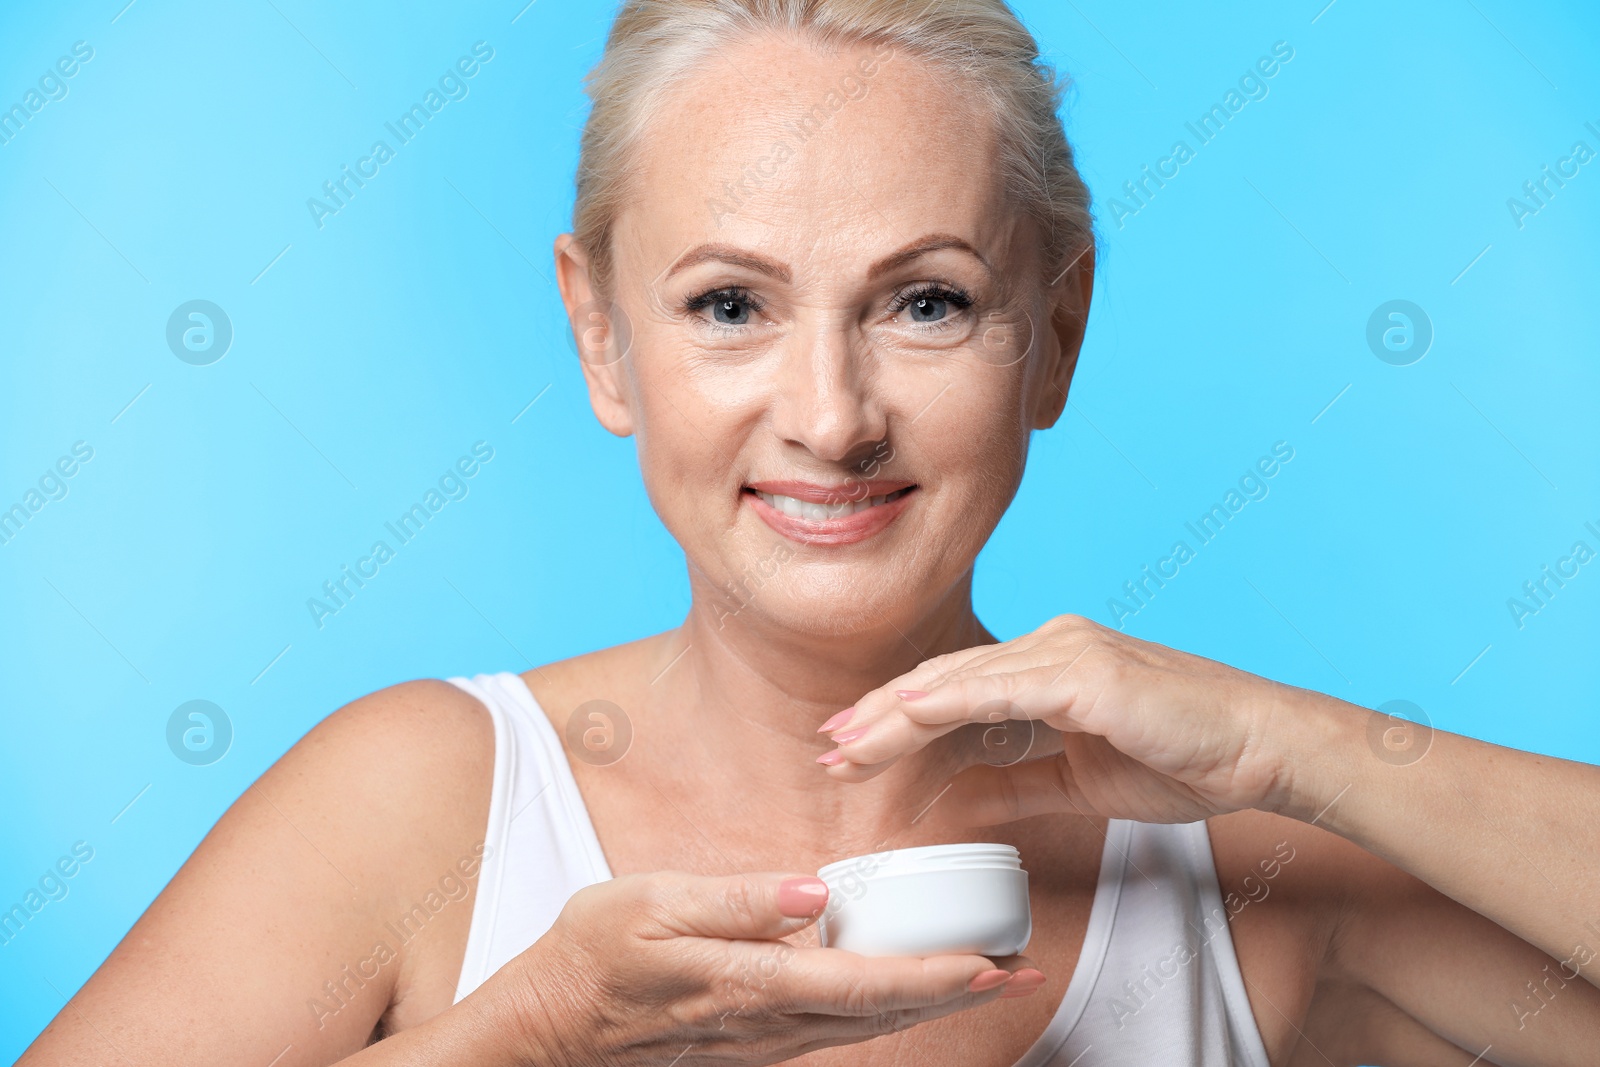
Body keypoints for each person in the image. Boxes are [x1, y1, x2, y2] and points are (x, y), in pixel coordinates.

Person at [23, 1, 1600, 1064]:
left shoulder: (1246, 869)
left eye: (928, 302)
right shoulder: (424, 808)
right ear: (601, 336)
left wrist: (1289, 748)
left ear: (1055, 334)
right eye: (728, 306)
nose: (831, 416)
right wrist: (532, 1036)